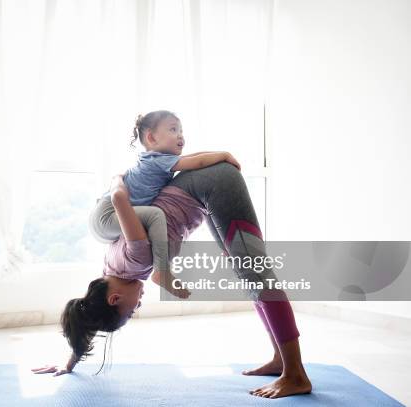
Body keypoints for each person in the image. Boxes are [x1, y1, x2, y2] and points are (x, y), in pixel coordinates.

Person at [33, 161, 312, 399]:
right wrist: (71, 362)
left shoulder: (137, 258)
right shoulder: (111, 269)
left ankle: (296, 374)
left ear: (115, 298)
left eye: (132, 310)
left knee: (255, 272)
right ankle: (281, 360)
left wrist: (116, 180)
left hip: (214, 184)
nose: (138, 304)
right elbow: (91, 314)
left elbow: (122, 200)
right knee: (246, 273)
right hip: (204, 191)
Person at [89, 110, 240, 297]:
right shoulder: (158, 162)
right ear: (151, 138)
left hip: (102, 219)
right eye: (173, 129)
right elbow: (198, 162)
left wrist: (221, 154)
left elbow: (193, 158)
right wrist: (224, 155)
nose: (180, 136)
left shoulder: (156, 159)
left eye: (181, 131)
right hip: (107, 215)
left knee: (148, 219)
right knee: (155, 215)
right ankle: (162, 270)